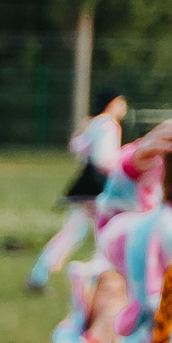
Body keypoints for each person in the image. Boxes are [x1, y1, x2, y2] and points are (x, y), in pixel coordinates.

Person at [33, 90, 129, 291]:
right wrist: (121, 168)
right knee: (105, 235)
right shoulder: (109, 125)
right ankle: (97, 279)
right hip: (99, 188)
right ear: (111, 103)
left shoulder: (93, 123)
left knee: (73, 232)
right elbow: (104, 159)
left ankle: (39, 274)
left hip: (85, 185)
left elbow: (77, 147)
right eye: (120, 102)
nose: (123, 106)